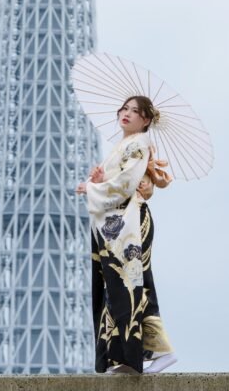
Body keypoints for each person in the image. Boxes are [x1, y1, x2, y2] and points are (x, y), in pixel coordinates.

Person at [76, 95, 177, 375]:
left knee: (128, 285)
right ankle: (156, 350)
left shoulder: (139, 144)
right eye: (125, 108)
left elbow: (125, 184)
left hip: (131, 223)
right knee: (129, 285)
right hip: (118, 225)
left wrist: (91, 188)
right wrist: (99, 181)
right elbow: (120, 182)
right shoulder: (124, 146)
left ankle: (130, 357)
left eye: (136, 111)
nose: (127, 113)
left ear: (146, 120)